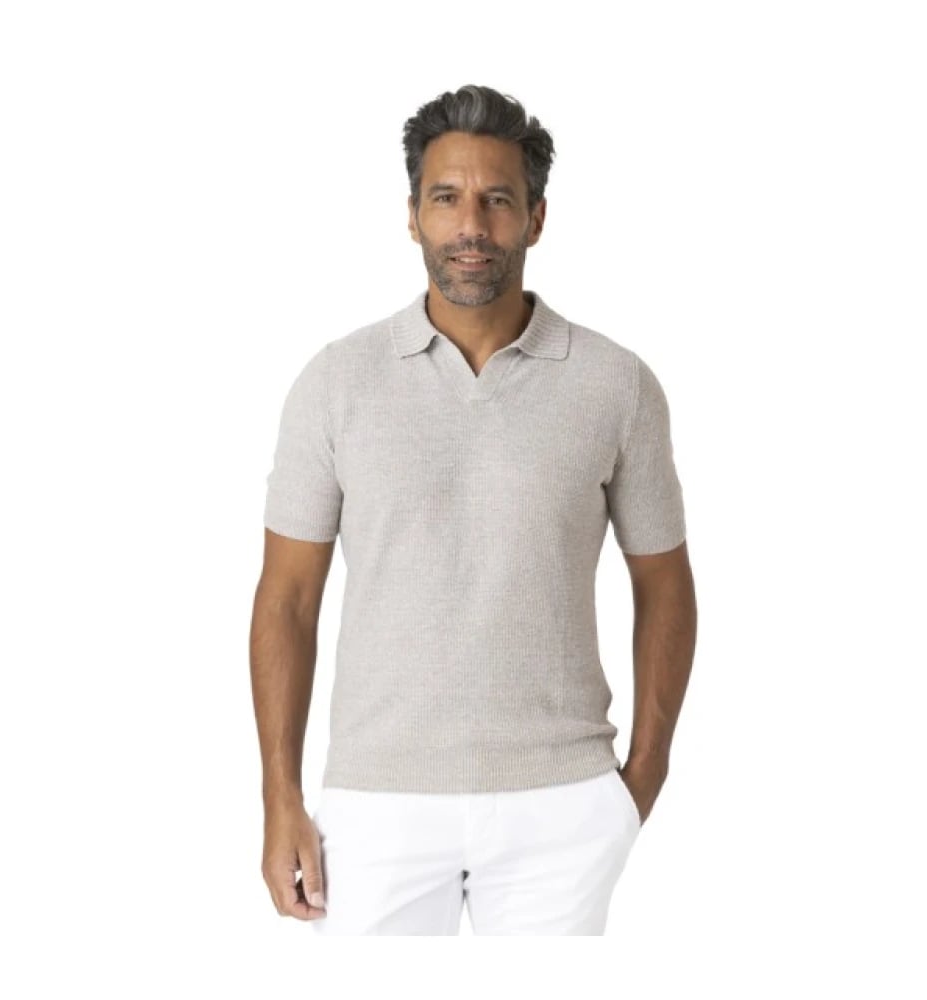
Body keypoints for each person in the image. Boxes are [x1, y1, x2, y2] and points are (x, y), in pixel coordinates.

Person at [249, 84, 698, 935]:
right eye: (446, 198)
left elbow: (665, 584)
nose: (471, 226)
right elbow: (287, 600)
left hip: (561, 802)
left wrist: (644, 775)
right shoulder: (336, 382)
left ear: (536, 217)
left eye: (497, 200)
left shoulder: (616, 384)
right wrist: (280, 798)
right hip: (376, 803)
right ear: (412, 215)